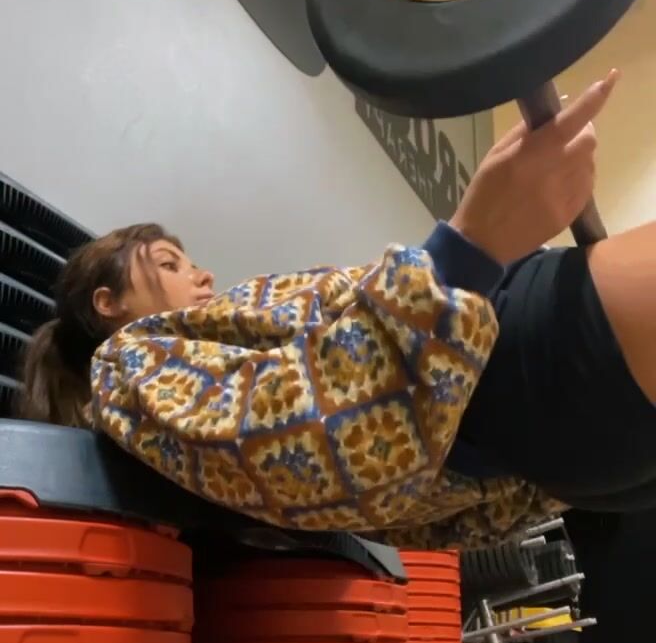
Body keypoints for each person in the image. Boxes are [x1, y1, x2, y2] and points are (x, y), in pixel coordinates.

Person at [19, 72, 656, 550]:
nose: (201, 273)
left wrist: (551, 483)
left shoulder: (180, 375)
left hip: (528, 426)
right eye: (168, 263)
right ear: (108, 303)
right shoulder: (124, 366)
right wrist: (469, 250)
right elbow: (320, 449)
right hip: (505, 371)